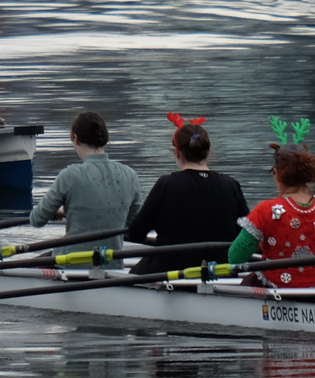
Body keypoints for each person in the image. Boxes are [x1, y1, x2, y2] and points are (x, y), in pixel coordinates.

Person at [224, 117, 315, 288]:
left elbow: (235, 257)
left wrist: (263, 244)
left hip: (276, 289)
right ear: (309, 173)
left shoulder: (266, 211)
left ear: (277, 173)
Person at [125, 113, 249, 275]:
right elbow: (246, 235)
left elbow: (135, 234)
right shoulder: (231, 185)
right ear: (209, 151)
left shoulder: (166, 184)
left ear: (177, 152)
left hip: (171, 270)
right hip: (220, 270)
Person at [29, 111, 142, 253]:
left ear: (75, 138)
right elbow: (131, 227)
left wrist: (63, 212)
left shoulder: (69, 175)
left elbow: (37, 219)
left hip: (69, 263)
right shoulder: (130, 176)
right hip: (112, 263)